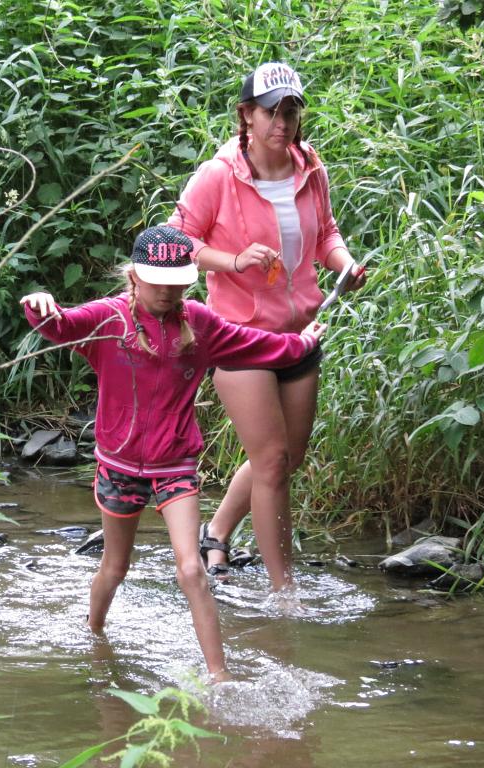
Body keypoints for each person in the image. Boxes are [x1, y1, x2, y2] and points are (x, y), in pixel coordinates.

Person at [20, 225, 325, 681]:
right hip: (118, 466)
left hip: (175, 465)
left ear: (189, 279)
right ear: (134, 278)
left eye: (176, 281)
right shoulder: (108, 320)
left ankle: (219, 677)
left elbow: (256, 343)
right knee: (115, 568)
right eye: (155, 280)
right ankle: (94, 633)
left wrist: (301, 343)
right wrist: (37, 302)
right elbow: (59, 325)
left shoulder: (200, 324)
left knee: (190, 570)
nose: (166, 290)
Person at [167, 62, 367, 590]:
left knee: (287, 457)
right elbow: (175, 241)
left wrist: (343, 265)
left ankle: (216, 532)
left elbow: (325, 233)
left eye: (292, 111)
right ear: (246, 117)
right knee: (273, 460)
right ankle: (285, 592)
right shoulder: (219, 174)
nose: (283, 121)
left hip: (300, 331)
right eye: (271, 111)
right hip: (239, 336)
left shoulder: (310, 169)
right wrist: (233, 262)